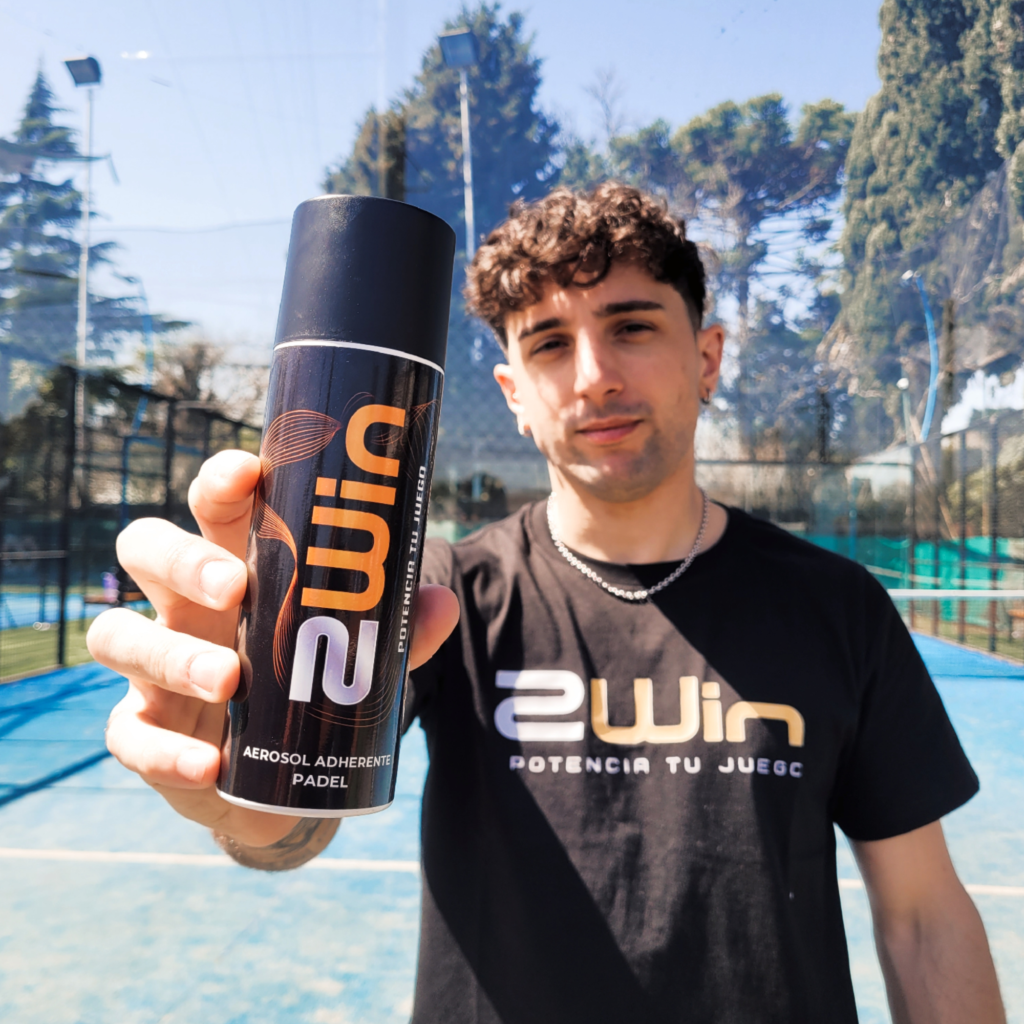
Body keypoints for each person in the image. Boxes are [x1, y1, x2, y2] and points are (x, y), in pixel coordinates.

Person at [89, 183, 1005, 1023]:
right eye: (549, 344)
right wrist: (226, 789)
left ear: (708, 357)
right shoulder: (433, 595)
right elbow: (285, 830)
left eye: (632, 326)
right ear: (514, 395)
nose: (593, 375)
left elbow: (924, 915)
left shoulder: (837, 607)